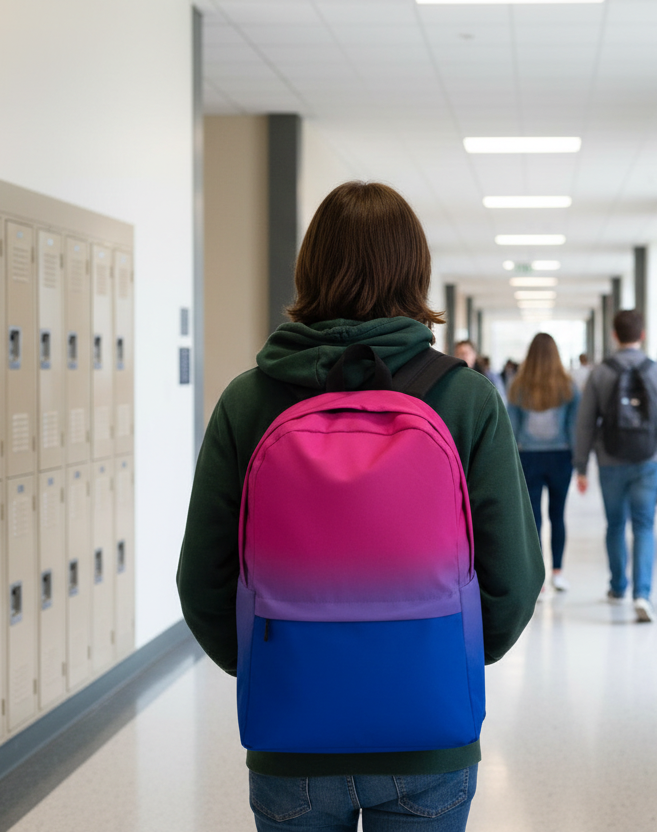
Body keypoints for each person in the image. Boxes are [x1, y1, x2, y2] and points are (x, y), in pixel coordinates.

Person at [177, 181, 543, 832]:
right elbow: (513, 579)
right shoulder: (465, 399)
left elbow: (202, 580)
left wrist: (273, 661)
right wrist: (443, 655)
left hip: (290, 735)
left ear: (310, 269)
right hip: (428, 731)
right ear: (416, 272)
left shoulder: (247, 400)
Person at [573, 310, 657, 623]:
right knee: (644, 525)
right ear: (642, 335)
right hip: (648, 460)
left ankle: (618, 586)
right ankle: (642, 594)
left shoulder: (600, 373)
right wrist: (656, 444)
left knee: (616, 524)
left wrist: (582, 465)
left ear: (614, 335)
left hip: (610, 459)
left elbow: (585, 423)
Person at [507, 333, 580, 593]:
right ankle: (558, 573)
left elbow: (512, 428)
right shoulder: (568, 387)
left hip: (528, 456)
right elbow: (573, 427)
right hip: (561, 456)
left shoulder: (518, 386)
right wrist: (578, 461)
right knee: (557, 515)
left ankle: (537, 579)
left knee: (533, 518)